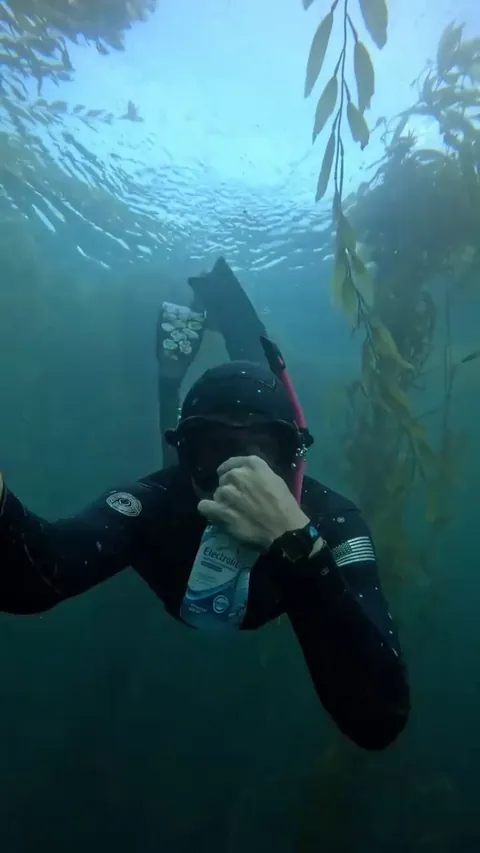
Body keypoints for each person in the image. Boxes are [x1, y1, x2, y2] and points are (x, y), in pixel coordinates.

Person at [0, 260, 410, 752]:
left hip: (280, 536)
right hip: (186, 499)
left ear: (293, 459)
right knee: (203, 421)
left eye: (263, 453)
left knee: (239, 402)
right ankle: (175, 395)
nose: (238, 479)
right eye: (211, 450)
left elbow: (378, 719)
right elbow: (34, 576)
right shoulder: (159, 501)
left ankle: (200, 387)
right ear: (185, 455)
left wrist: (300, 547)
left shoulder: (328, 521)